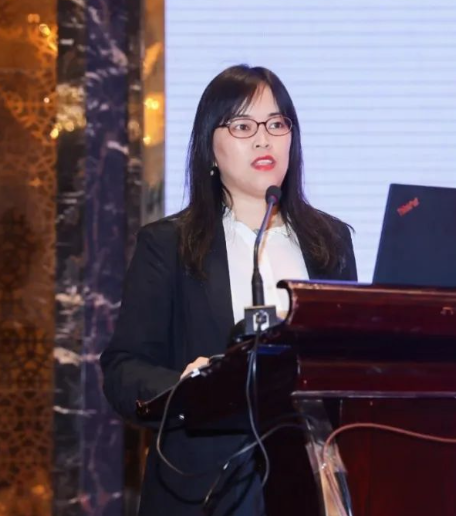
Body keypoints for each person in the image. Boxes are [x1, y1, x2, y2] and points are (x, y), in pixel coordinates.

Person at [101, 65, 357, 515]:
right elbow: (123, 370)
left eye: (276, 124)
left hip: (311, 484)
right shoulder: (169, 245)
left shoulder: (329, 242)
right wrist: (187, 386)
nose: (263, 140)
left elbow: (348, 362)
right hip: (204, 491)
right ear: (210, 148)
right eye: (242, 126)